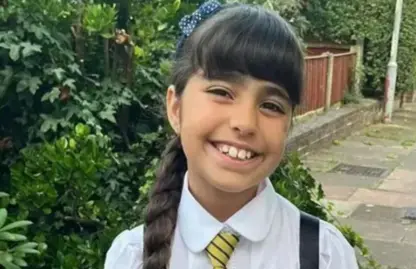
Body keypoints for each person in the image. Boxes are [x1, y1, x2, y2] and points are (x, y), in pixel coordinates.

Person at [104, 1, 358, 269]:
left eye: (271, 105)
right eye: (222, 92)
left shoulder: (325, 255)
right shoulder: (130, 257)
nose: (245, 123)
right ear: (176, 108)